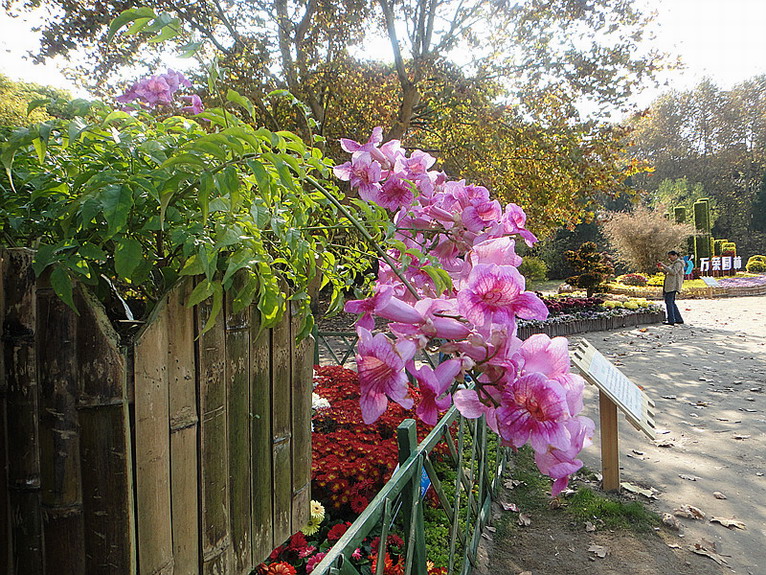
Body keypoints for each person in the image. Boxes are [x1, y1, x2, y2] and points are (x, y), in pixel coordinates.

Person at [657, 250, 685, 325]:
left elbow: (673, 272)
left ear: (675, 255)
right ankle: (678, 319)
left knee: (669, 302)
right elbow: (669, 272)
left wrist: (664, 266)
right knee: (671, 302)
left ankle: (671, 320)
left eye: (670, 257)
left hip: (673, 286)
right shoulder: (673, 264)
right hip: (670, 285)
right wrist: (662, 269)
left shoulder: (678, 263)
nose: (670, 259)